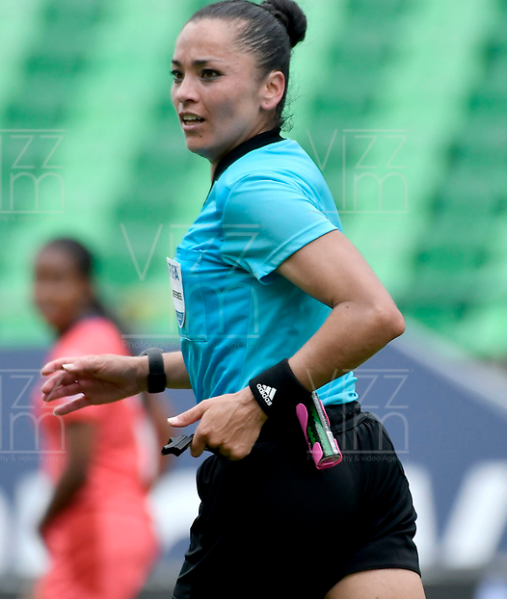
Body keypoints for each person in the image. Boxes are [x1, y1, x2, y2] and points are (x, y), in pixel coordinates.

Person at [40, 1, 426, 598]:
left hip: (277, 467)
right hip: (354, 453)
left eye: (209, 74)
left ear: (272, 87)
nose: (184, 94)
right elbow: (264, 343)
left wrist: (256, 401)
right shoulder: (284, 166)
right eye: (177, 74)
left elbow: (374, 314)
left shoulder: (251, 191)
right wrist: (142, 373)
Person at [32, 237, 169, 599]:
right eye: (39, 279)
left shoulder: (77, 352)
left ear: (86, 286)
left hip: (94, 527)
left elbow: (78, 466)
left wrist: (44, 522)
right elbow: (163, 432)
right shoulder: (107, 337)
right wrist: (131, 498)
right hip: (121, 523)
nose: (43, 292)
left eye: (57, 280)